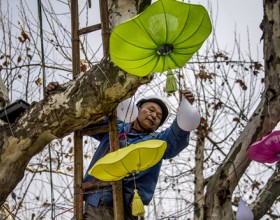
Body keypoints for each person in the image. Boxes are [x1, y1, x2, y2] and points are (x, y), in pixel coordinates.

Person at [46, 82, 198, 220]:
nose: (154, 116)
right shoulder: (114, 127)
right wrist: (59, 95)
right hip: (93, 200)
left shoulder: (156, 143)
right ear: (137, 109)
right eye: (151, 110)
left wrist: (184, 111)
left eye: (158, 117)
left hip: (122, 208)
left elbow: (175, 137)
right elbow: (85, 119)